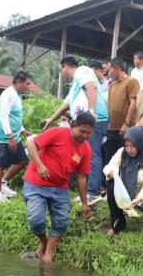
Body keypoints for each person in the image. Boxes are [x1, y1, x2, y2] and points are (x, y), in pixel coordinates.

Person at [23, 112, 95, 263]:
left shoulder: (86, 149)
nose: (85, 136)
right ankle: (43, 241)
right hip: (36, 183)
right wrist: (39, 165)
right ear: (74, 125)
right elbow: (31, 143)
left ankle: (48, 254)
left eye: (89, 133)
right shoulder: (58, 132)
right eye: (82, 131)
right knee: (35, 220)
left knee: (61, 222)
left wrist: (84, 203)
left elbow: (81, 177)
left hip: (60, 187)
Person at [42, 56, 109, 205]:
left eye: (61, 70)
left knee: (92, 154)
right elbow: (65, 105)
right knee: (85, 154)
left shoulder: (82, 71)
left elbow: (92, 87)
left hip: (94, 121)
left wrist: (91, 112)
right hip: (84, 122)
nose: (62, 73)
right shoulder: (75, 85)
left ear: (66, 66)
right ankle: (88, 190)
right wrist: (50, 120)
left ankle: (93, 192)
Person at [0, 70, 33, 203]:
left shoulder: (17, 95)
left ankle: (3, 183)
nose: (28, 87)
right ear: (19, 82)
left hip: (15, 136)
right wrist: (10, 137)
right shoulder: (9, 94)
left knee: (22, 160)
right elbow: (3, 116)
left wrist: (21, 130)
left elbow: (13, 116)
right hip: (5, 138)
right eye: (26, 84)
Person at [105, 57, 140, 170]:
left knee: (124, 160)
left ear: (117, 68)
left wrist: (127, 123)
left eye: (110, 70)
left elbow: (133, 103)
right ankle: (108, 186)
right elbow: (109, 105)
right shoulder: (111, 85)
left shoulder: (131, 81)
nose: (109, 73)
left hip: (125, 128)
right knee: (109, 159)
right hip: (111, 128)